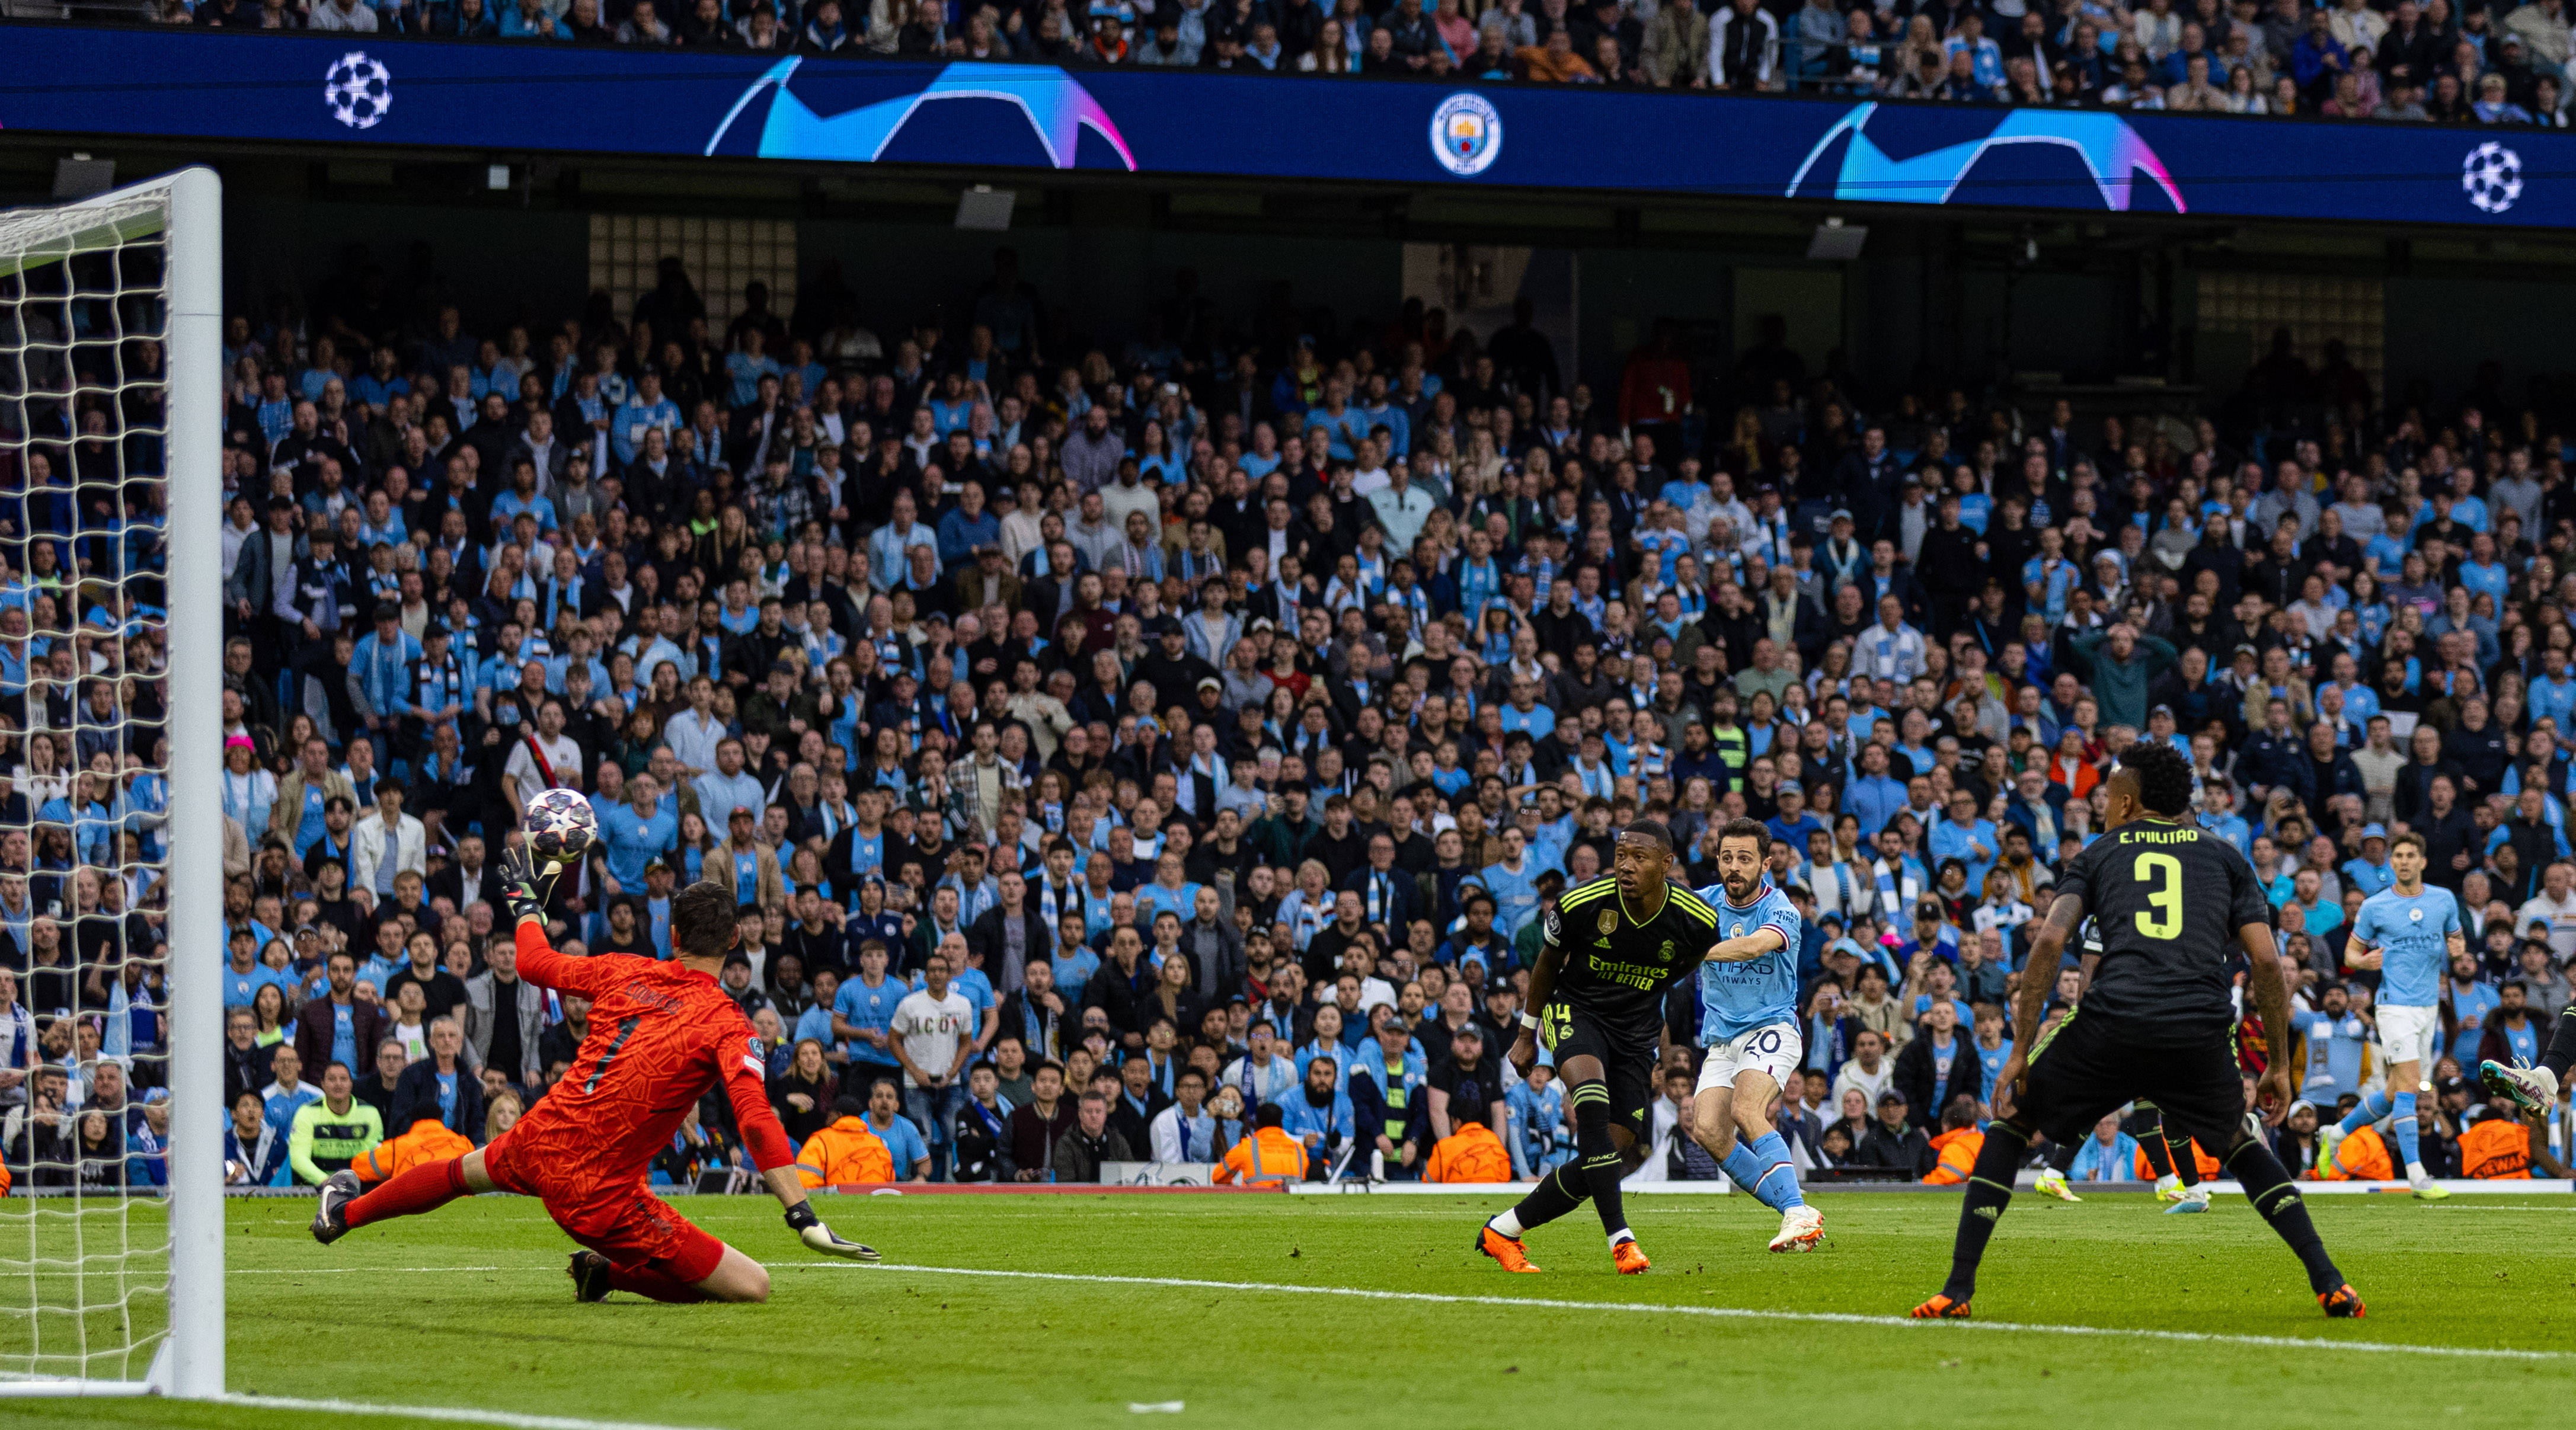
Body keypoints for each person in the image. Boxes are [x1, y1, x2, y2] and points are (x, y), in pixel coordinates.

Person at [1911, 741, 2361, 1320]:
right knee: (2240, 1143)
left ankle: (1956, 1289)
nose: (2102, 804)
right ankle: (2329, 1281)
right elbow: (2267, 964)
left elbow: (2049, 941)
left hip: (2112, 1024)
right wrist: (2276, 1061)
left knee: (2012, 1123)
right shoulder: (2225, 856)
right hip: (2195, 1031)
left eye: (2107, 795)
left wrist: (2020, 1049)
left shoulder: (2099, 853)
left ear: (2126, 801)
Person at [311, 845, 879, 1303]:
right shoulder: (730, 1025)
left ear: (673, 936)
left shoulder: (622, 970)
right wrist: (800, 1211)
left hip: (541, 1136)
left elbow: (533, 962)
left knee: (458, 1173)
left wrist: (526, 904)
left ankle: (345, 1210)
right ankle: (608, 1274)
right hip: (598, 1192)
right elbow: (754, 1119)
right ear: (734, 942)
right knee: (751, 1285)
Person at [1475, 820, 1743, 1276]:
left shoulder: (1696, 920)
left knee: (1607, 1153)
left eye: (1639, 857)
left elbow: (1685, 967)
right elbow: (1546, 963)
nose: (1626, 865)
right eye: (1621, 855)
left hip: (1635, 1034)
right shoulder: (1582, 903)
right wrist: (1526, 1033)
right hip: (1576, 1013)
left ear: (1666, 864)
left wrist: (1652, 1027)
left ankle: (1503, 1229)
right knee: (1593, 1106)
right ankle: (1622, 1240)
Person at [1686, 818, 1822, 1252]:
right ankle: (1794, 1210)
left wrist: (1689, 951)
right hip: (1724, 1039)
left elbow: (1753, 946)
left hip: (1773, 1026)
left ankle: (1797, 1210)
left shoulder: (1780, 908)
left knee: (1747, 1108)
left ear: (1765, 864)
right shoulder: (1702, 904)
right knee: (1707, 1129)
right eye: (1727, 858)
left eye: (1745, 858)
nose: (1734, 867)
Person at [2325, 830, 2465, 1199]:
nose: (2403, 861)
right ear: (2392, 863)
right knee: (2409, 1085)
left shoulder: (2443, 900)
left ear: (2422, 862)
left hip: (2427, 1007)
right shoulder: (2376, 906)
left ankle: (2336, 1134)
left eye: (2409, 856)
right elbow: (2350, 956)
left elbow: (2457, 939)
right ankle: (2417, 1176)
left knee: (2391, 1093)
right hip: (2392, 1007)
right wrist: (2364, 960)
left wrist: (2458, 947)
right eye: (2397, 856)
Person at [286, 1061, 383, 1186]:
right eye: (332, 1079)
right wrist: (328, 1182)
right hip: (317, 1187)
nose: (338, 1084)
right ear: (323, 1084)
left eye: (343, 1079)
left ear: (351, 1084)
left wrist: (351, 1185)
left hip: (359, 1186)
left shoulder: (370, 1113)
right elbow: (298, 1159)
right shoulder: (307, 1112)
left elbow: (372, 1158)